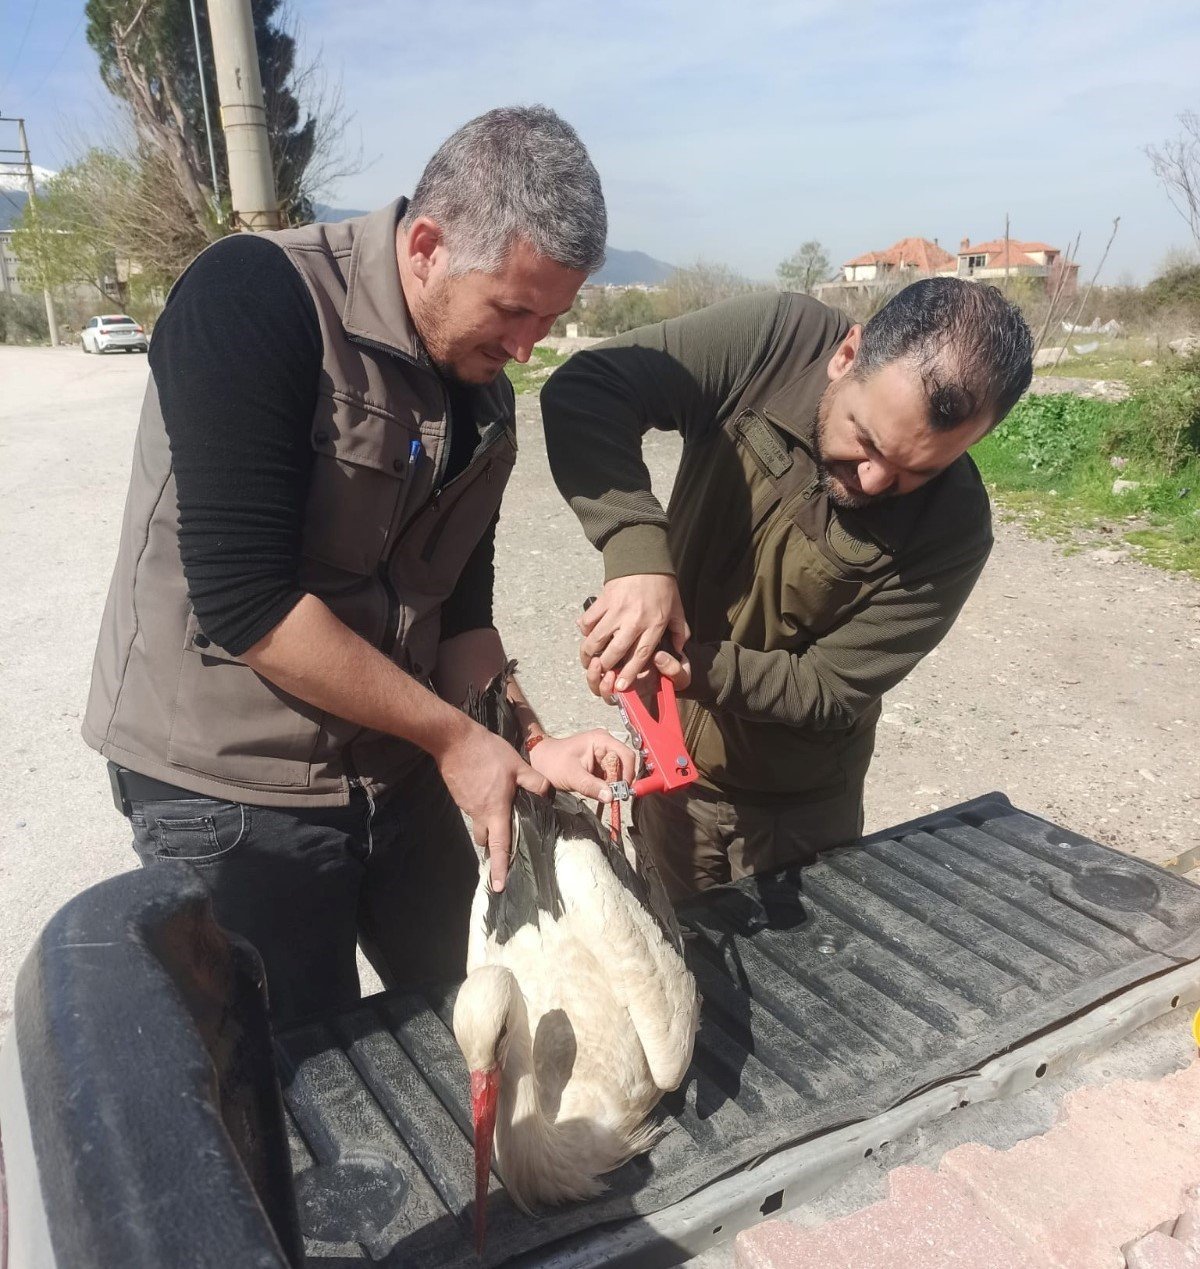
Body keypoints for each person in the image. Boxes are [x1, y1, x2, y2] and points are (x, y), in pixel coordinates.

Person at [83, 105, 633, 1025]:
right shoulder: (254, 301)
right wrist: (457, 741)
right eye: (513, 309)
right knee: (296, 1073)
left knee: (475, 1008)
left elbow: (459, 611)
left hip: (396, 760)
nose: (528, 347)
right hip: (232, 785)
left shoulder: (484, 393)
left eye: (552, 317)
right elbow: (244, 599)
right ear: (426, 244)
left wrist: (530, 743)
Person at [541, 278, 1034, 901]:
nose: (876, 481)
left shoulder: (954, 528)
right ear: (847, 355)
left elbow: (829, 688)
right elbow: (588, 388)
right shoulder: (773, 341)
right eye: (867, 441)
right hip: (671, 792)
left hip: (798, 816)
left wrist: (682, 663)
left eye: (920, 471)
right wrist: (637, 553)